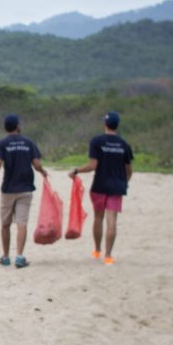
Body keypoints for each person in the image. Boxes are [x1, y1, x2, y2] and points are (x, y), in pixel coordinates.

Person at [69, 111, 133, 265]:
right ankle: (109, 255)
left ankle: (97, 250)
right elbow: (129, 169)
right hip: (117, 187)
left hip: (99, 185)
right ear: (117, 125)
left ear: (105, 124)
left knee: (98, 218)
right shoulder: (124, 144)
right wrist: (125, 181)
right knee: (112, 221)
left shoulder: (97, 141)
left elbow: (93, 165)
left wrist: (76, 170)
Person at [0, 114, 48, 268]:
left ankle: (6, 257)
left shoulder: (1, 144)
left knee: (5, 224)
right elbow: (36, 163)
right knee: (22, 223)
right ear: (18, 126)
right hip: (25, 188)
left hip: (8, 189)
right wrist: (43, 172)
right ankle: (20, 256)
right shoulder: (29, 143)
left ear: (5, 128)